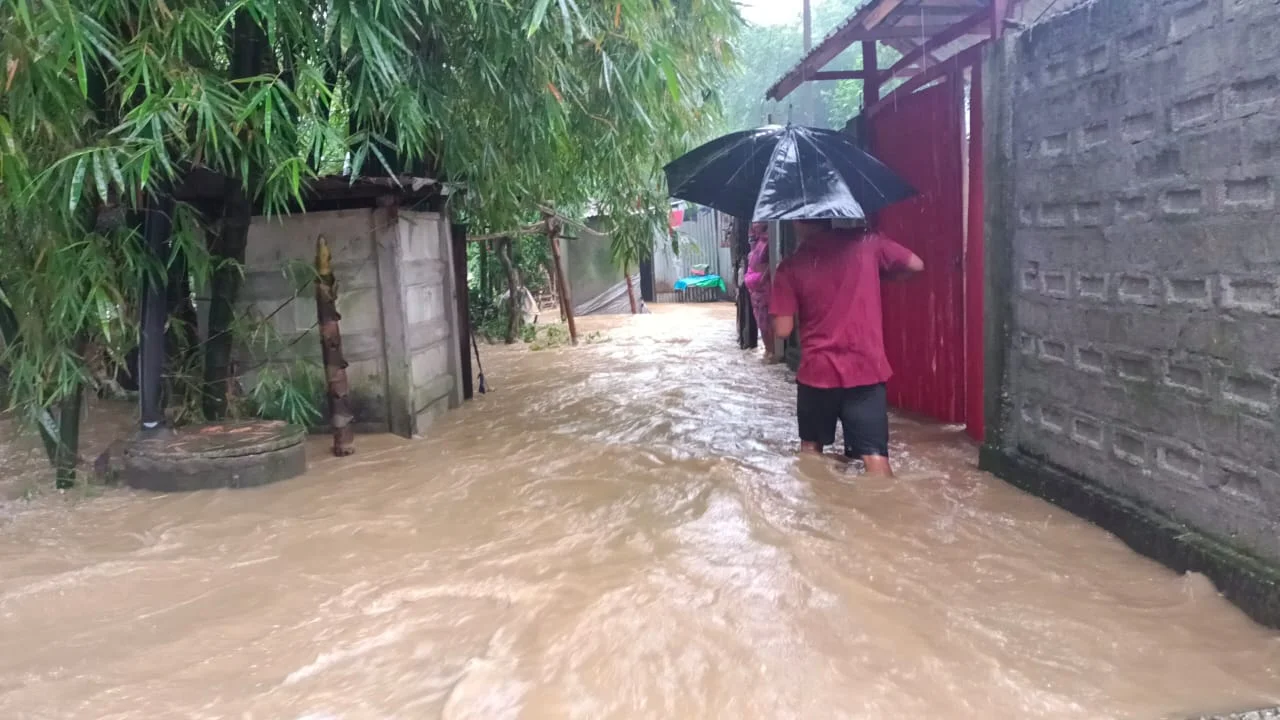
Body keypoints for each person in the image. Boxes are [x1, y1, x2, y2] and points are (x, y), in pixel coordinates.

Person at [769, 219, 924, 476]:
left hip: (817, 374)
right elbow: (916, 265)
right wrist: (878, 276)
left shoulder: (790, 267)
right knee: (875, 455)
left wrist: (783, 306)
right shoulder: (867, 242)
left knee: (811, 450)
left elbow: (783, 331)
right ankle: (885, 510)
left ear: (796, 221)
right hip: (866, 369)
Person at [743, 223, 775, 362]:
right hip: (755, 291)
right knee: (761, 323)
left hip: (764, 291)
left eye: (758, 222)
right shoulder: (758, 242)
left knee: (767, 322)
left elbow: (772, 263)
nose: (754, 225)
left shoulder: (770, 241)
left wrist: (762, 279)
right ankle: (768, 351)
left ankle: (772, 351)